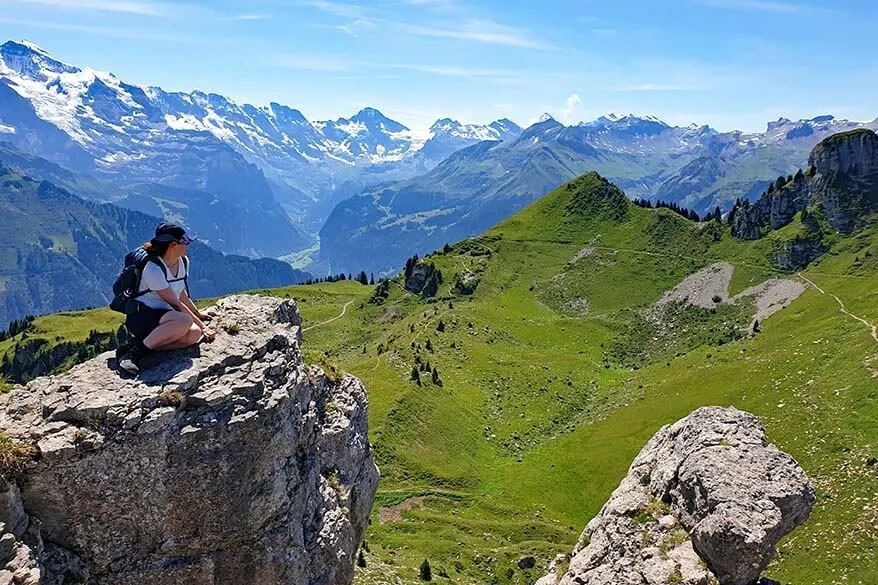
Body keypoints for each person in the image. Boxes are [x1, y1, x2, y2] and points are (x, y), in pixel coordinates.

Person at [117, 222, 215, 375]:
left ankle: (144, 345)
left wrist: (197, 314)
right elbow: (175, 303)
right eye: (184, 243)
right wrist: (204, 327)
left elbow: (181, 293)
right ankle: (134, 354)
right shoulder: (153, 269)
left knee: (193, 335)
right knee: (184, 321)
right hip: (142, 317)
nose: (187, 246)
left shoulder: (183, 262)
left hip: (166, 318)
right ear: (172, 245)